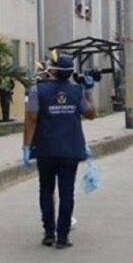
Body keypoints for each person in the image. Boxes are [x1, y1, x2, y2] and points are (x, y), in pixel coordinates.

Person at [21, 53, 96, 249]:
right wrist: (88, 92)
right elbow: (91, 114)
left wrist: (26, 145)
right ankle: (62, 237)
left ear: (53, 70)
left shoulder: (37, 90)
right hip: (70, 150)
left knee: (46, 190)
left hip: (46, 149)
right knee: (66, 192)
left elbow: (31, 118)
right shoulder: (76, 91)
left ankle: (48, 233)